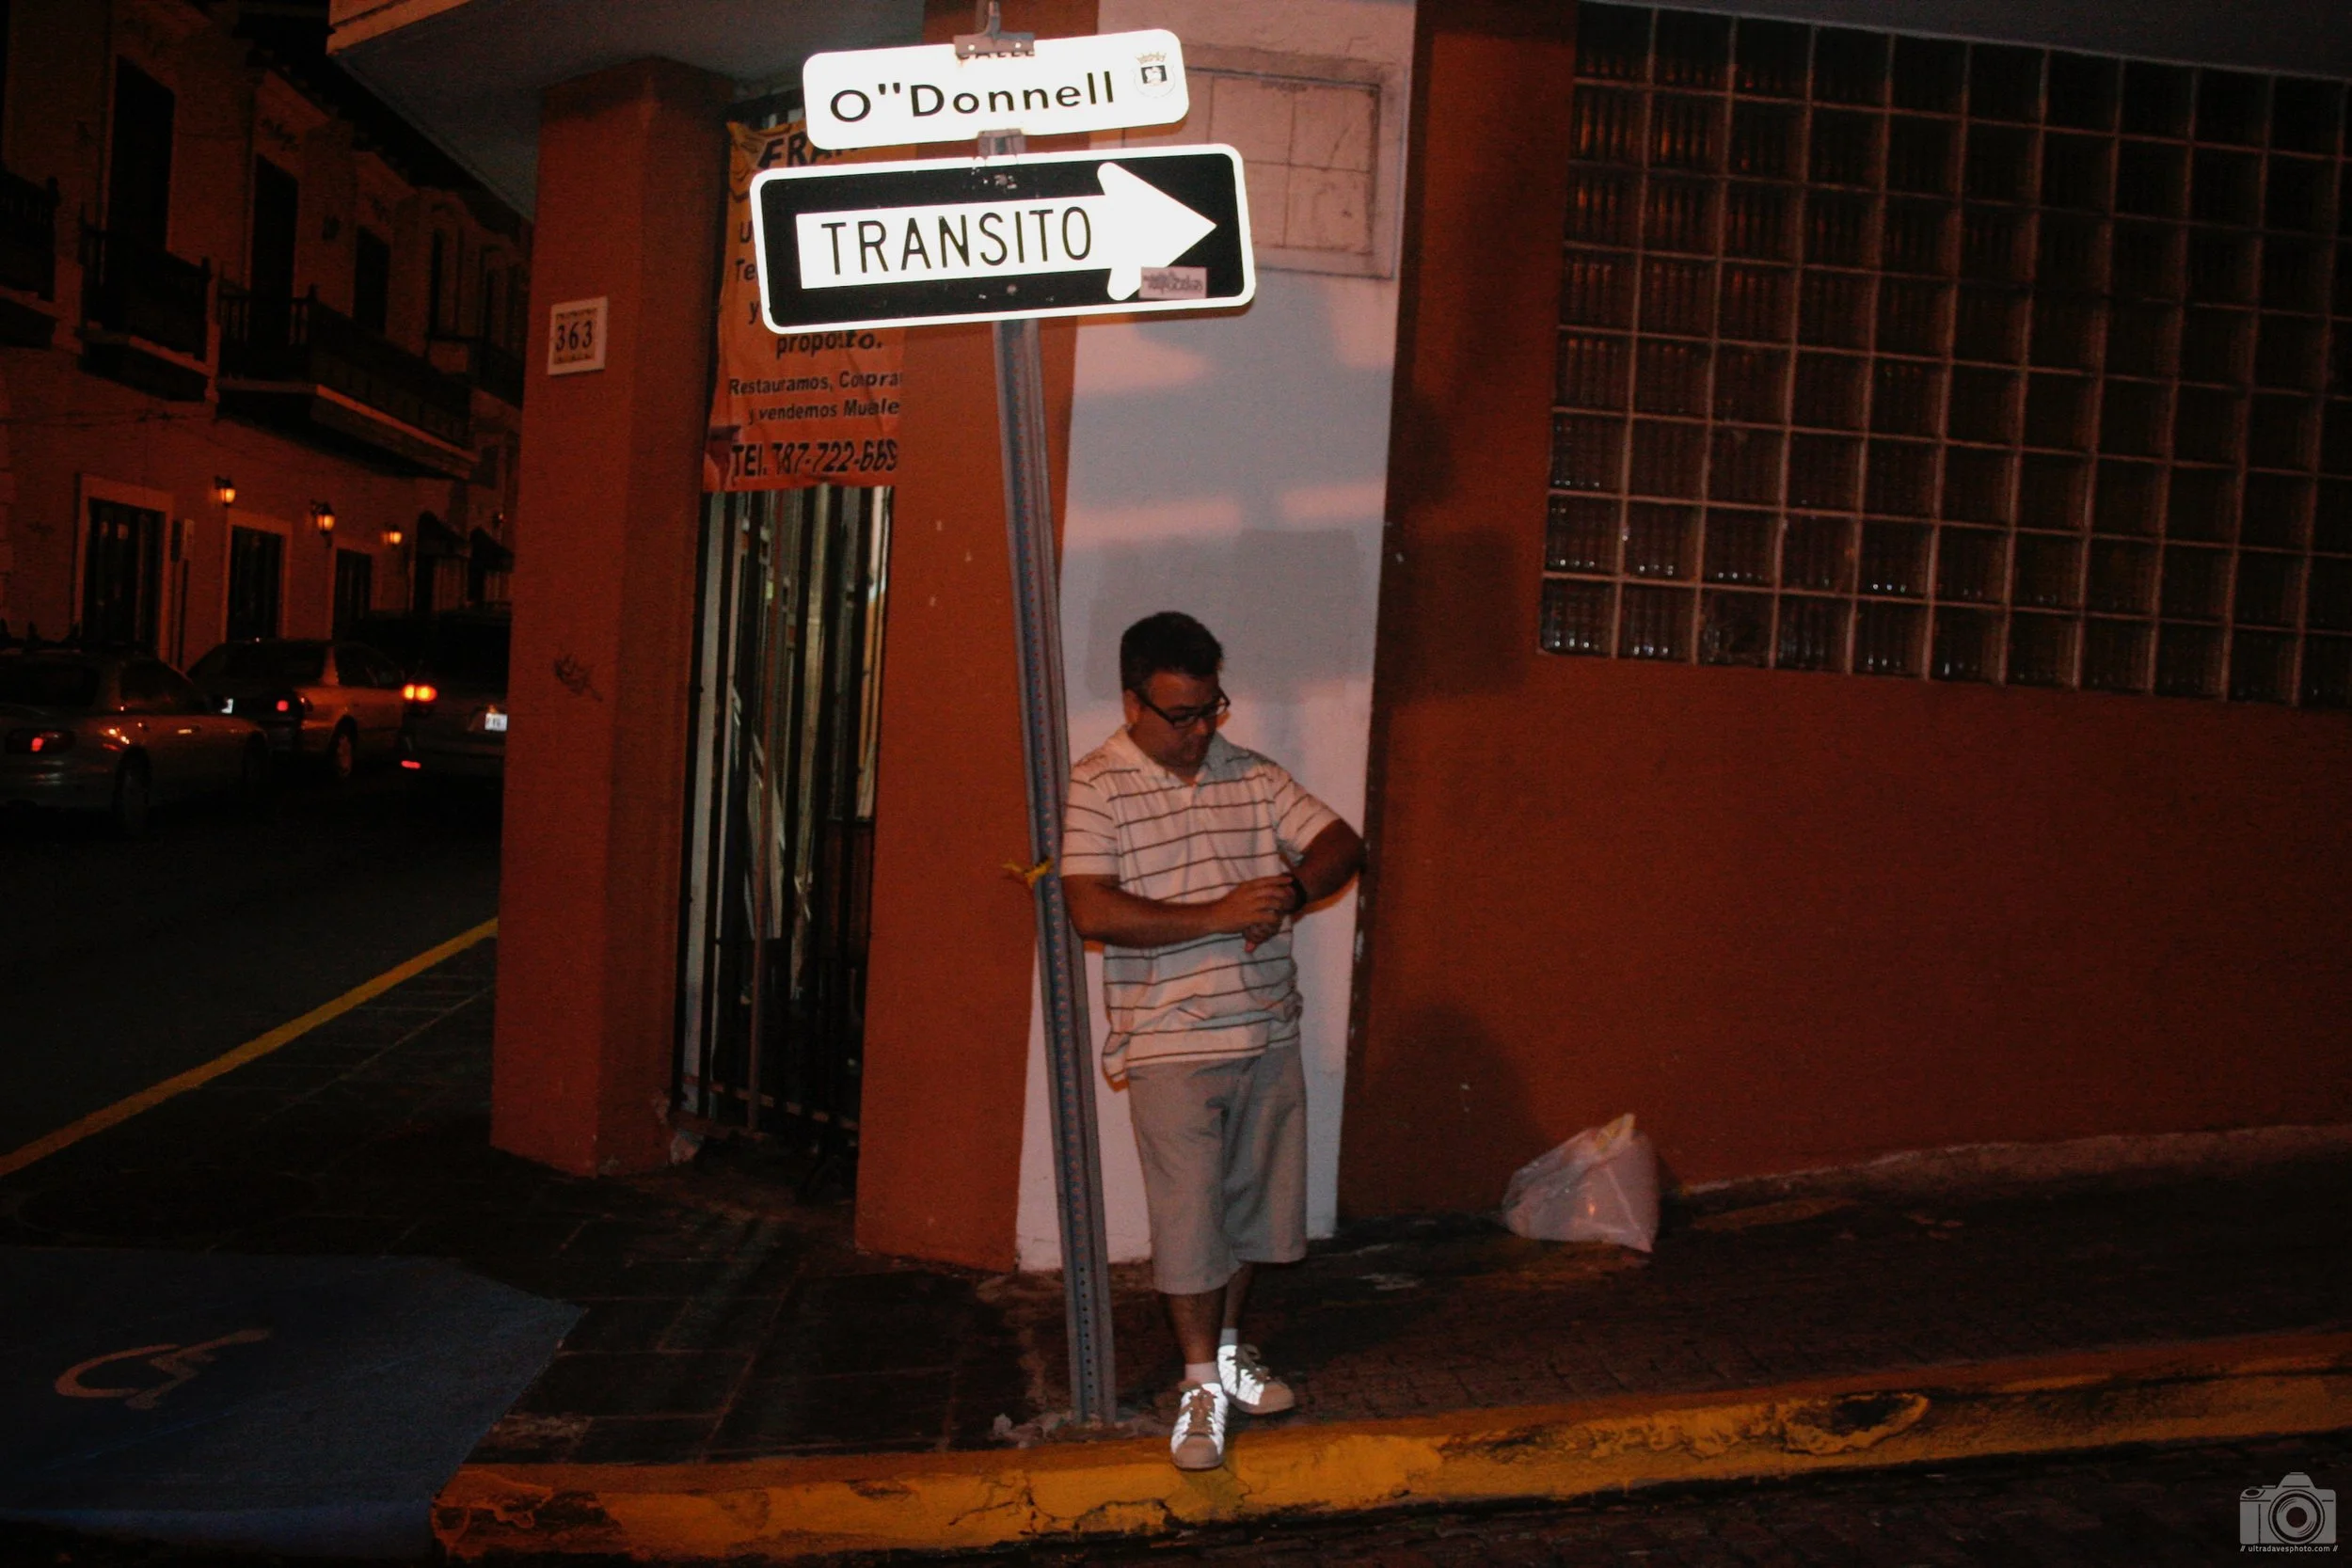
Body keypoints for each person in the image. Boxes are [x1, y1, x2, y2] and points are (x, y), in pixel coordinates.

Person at [1059, 610, 1364, 1472]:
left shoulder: (1253, 774)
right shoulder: (1098, 786)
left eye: (1209, 710)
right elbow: (1092, 908)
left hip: (1266, 1029)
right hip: (1166, 1042)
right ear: (1132, 702)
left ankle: (1228, 1351)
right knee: (1191, 1219)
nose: (1198, 733)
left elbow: (1343, 842)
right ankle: (1197, 1382)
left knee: (1251, 1214)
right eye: (1179, 716)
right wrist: (1217, 915)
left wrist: (1294, 891)